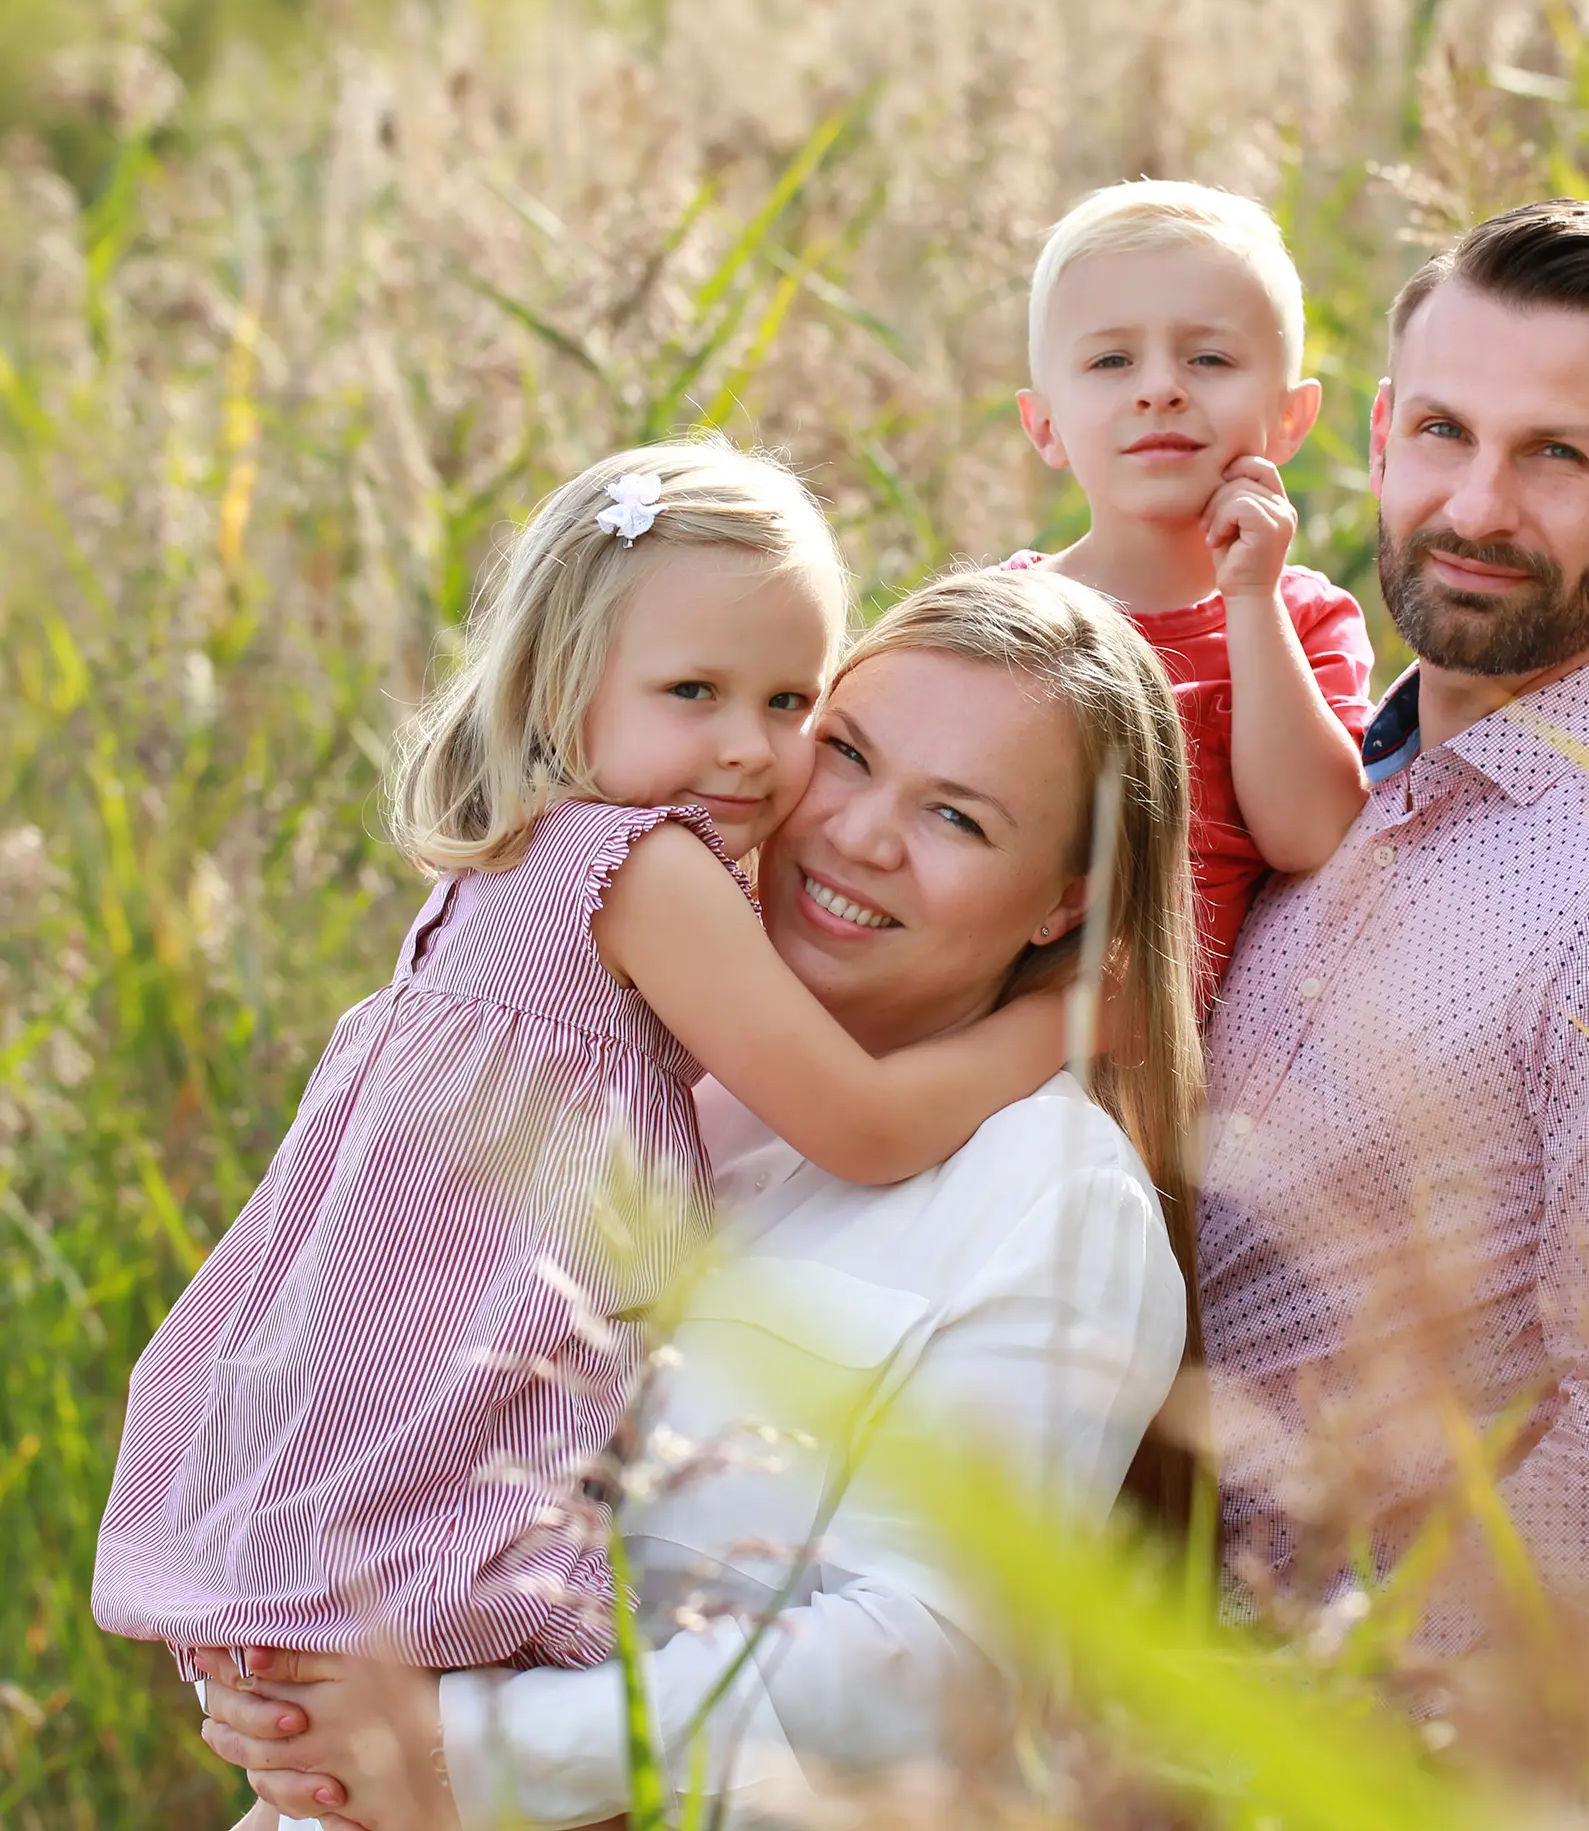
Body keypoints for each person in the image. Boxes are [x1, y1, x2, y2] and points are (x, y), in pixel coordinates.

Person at [189, 567, 1202, 1830]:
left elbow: (941, 1661)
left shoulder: (1049, 1192)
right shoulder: (627, 1081)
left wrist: (466, 1743)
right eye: (843, 753)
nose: (857, 834)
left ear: (1065, 897)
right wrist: (286, 1678)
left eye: (957, 818)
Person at [94, 443, 1070, 1693]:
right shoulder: (642, 866)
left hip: (350, 1410)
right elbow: (866, 1125)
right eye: (693, 692)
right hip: (457, 1416)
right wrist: (1072, 1022)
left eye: (788, 703)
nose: (746, 750)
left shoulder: (508, 856)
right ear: (566, 683)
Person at [1197, 201, 1589, 1647]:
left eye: (1558, 456)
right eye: (1446, 434)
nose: (1475, 510)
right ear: (1383, 432)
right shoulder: (1299, 768)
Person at [1007, 180, 1373, 1005]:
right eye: (1111, 361)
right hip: (1005, 1038)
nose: (1160, 388)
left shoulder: (1305, 618)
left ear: (1291, 417)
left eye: (1208, 358)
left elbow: (1308, 835)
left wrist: (1251, 595)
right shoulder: (1006, 619)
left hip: (1203, 1080)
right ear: (1045, 427)